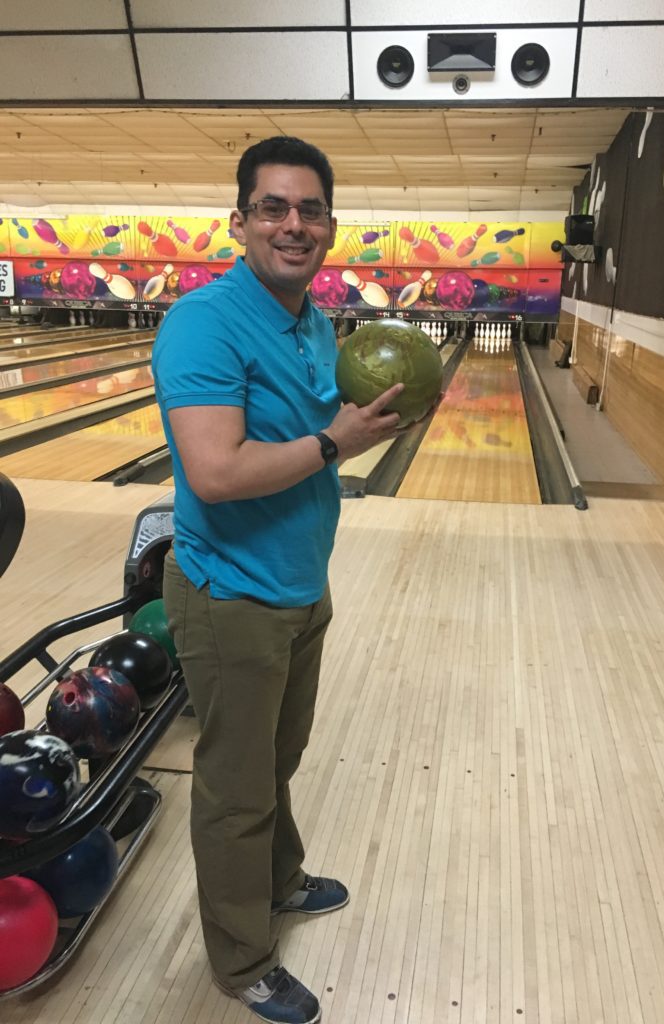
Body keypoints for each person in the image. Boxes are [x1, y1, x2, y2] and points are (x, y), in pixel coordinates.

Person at [152, 136, 404, 1024]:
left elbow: (320, 434)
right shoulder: (204, 322)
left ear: (330, 226)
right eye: (274, 208)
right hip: (232, 597)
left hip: (300, 585)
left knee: (278, 760)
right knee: (235, 786)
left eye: (311, 210)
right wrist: (340, 441)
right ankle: (241, 959)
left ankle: (283, 880)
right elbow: (217, 473)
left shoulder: (315, 321)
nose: (294, 225)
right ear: (242, 220)